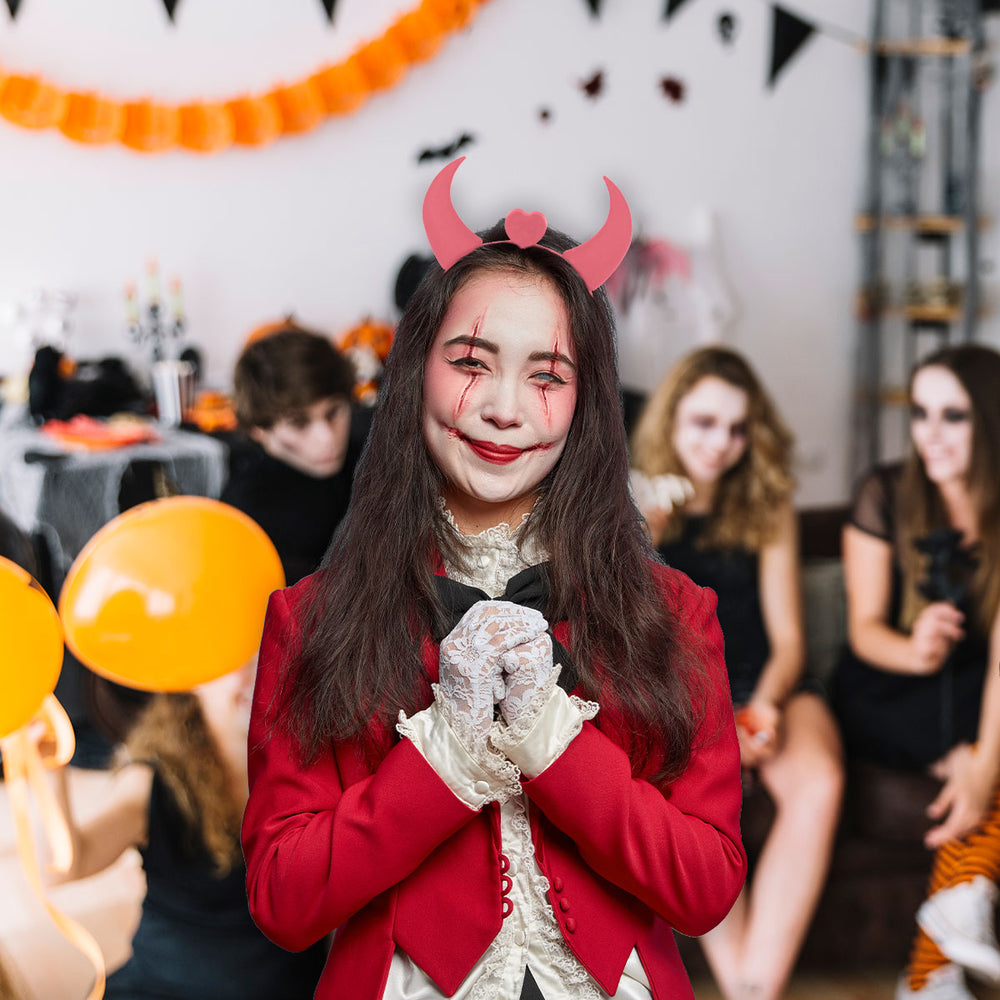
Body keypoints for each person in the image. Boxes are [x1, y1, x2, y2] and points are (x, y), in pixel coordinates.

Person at [241, 160, 747, 1000]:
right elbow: (284, 903)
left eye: (547, 375)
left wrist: (552, 739)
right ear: (413, 377)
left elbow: (704, 891)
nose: (505, 408)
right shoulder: (311, 620)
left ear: (585, 404)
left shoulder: (677, 616)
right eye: (473, 362)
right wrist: (442, 757)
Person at [630, 346, 844, 1000]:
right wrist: (644, 538)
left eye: (736, 427)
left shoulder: (767, 502)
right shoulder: (631, 501)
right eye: (703, 423)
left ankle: (753, 989)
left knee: (820, 782)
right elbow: (622, 644)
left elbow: (788, 642)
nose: (720, 443)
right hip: (682, 700)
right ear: (671, 421)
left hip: (764, 682)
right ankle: (751, 991)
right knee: (695, 796)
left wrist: (768, 707)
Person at [831, 344, 1000, 1000]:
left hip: (979, 690)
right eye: (920, 413)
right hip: (892, 685)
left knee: (988, 762)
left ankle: (933, 971)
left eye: (952, 416)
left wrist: (983, 759)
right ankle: (944, 953)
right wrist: (918, 648)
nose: (929, 434)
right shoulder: (887, 492)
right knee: (982, 760)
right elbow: (865, 631)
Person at [49, 660, 327, 1000]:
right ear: (191, 680)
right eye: (230, 661)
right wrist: (47, 765)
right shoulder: (152, 781)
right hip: (162, 988)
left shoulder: (320, 766)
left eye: (262, 655)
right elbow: (64, 864)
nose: (253, 674)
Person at [221, 324, 359, 585]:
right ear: (258, 429)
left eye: (333, 413)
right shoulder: (246, 516)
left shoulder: (373, 457)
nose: (327, 438)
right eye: (299, 423)